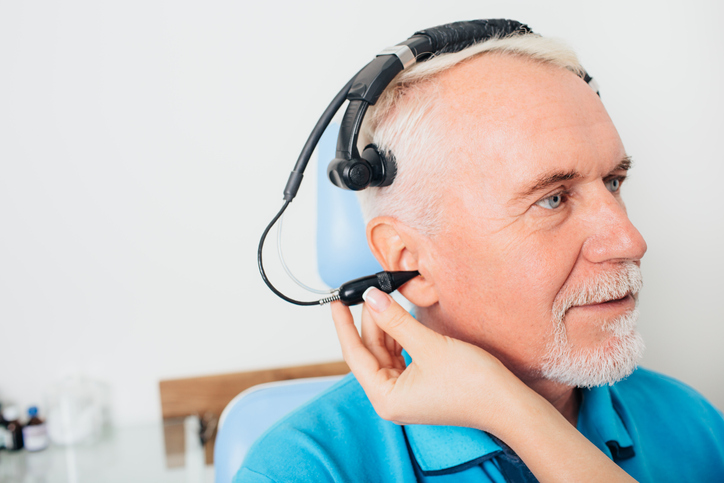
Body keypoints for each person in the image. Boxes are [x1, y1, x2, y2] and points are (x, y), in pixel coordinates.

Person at [236, 26, 724, 482]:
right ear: (409, 259)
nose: (629, 241)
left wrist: (513, 412)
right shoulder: (306, 469)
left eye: (613, 182)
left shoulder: (693, 423)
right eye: (553, 198)